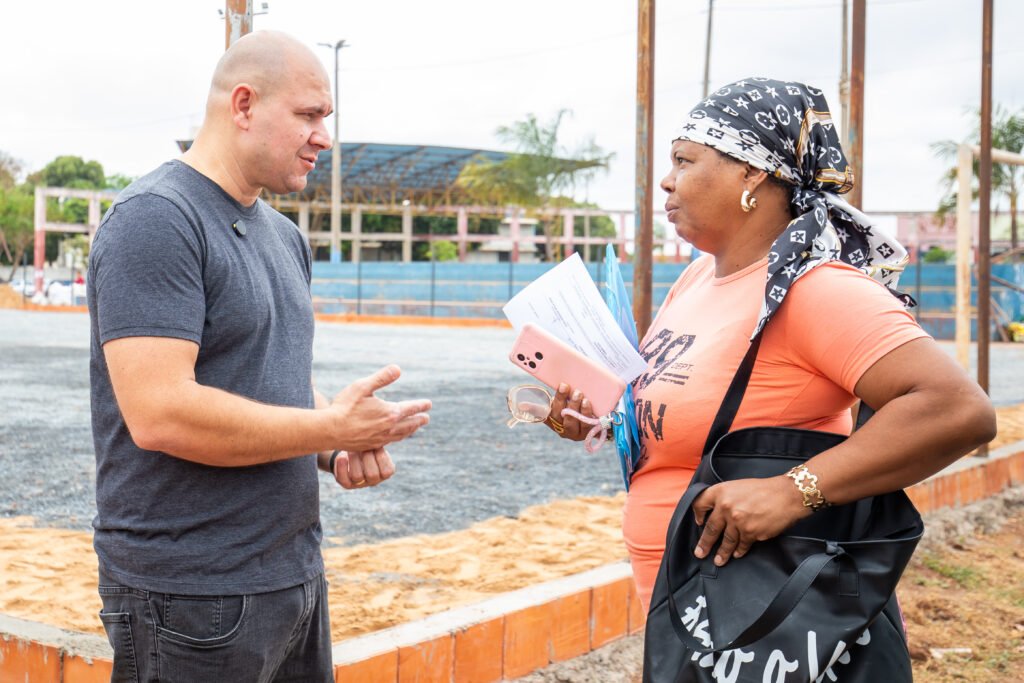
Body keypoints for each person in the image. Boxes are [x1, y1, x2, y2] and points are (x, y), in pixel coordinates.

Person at [545, 77, 996, 613]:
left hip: (766, 611)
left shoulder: (816, 290)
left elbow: (958, 410)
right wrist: (596, 420)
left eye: (684, 161)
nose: (666, 182)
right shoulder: (694, 282)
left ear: (751, 171)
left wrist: (791, 491)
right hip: (686, 599)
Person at [87, 31, 431, 682]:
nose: (324, 137)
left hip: (291, 575)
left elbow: (277, 385)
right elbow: (160, 412)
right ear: (243, 104)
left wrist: (333, 445)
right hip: (189, 596)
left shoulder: (284, 237)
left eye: (324, 118)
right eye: (309, 114)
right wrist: (327, 427)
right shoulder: (156, 219)